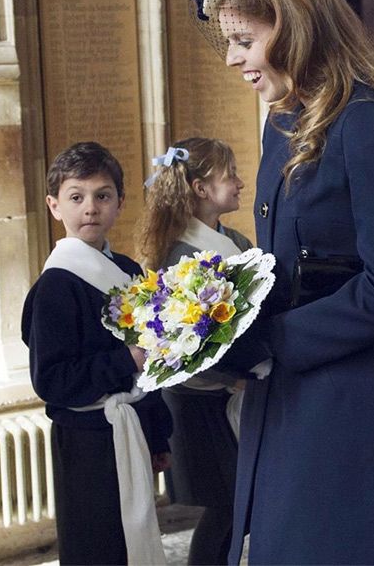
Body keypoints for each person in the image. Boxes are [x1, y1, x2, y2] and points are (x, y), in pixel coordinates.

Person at [188, 0, 374, 564]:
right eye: (229, 43)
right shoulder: (282, 124)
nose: (235, 61)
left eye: (245, 41)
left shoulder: (362, 122)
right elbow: (285, 267)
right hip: (284, 403)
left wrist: (274, 340)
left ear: (294, 26)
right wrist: (216, 322)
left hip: (348, 410)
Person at [21, 142, 173, 565]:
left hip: (132, 426)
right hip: (86, 439)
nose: (91, 208)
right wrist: (126, 360)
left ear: (120, 203)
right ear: (54, 206)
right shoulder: (55, 286)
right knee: (96, 546)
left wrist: (158, 433)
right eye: (76, 197)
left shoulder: (129, 271)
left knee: (133, 541)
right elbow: (51, 380)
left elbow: (152, 361)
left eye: (102, 196)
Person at [137, 137, 252, 565]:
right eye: (230, 176)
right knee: (226, 506)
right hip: (199, 398)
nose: (240, 183)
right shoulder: (180, 255)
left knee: (236, 506)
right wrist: (233, 376)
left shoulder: (234, 239)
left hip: (232, 393)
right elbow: (178, 343)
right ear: (202, 189)